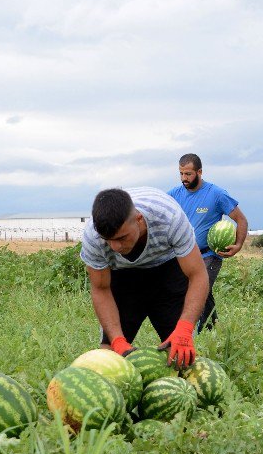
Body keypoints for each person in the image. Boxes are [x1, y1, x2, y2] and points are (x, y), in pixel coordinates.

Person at [79, 187, 209, 369]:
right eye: (108, 240)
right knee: (108, 356)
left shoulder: (169, 217)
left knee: (181, 354)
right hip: (123, 276)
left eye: (122, 237)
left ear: (138, 219)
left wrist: (185, 327)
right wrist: (117, 340)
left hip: (167, 269)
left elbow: (198, 275)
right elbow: (101, 289)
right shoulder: (93, 236)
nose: (115, 247)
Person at [168, 153, 249, 332]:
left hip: (209, 255)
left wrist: (238, 245)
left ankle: (194, 334)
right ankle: (213, 328)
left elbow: (241, 220)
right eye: (181, 174)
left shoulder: (216, 194)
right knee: (203, 292)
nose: (184, 178)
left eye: (188, 174)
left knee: (196, 293)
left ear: (200, 172)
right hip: (185, 255)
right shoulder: (174, 194)